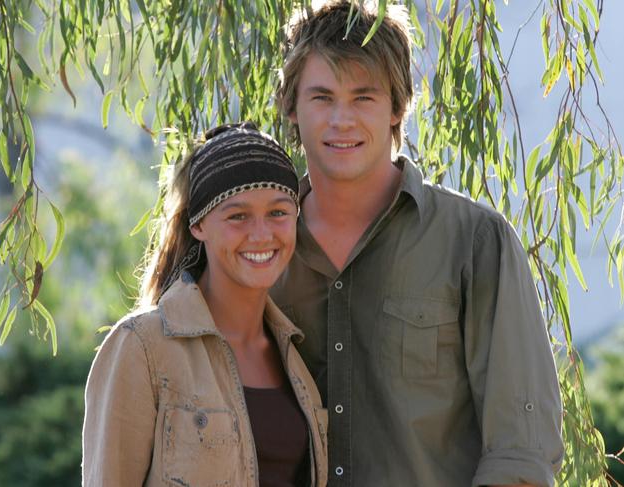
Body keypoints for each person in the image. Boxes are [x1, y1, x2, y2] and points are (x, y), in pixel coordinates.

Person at [271, 2, 564, 486]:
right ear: (292, 108)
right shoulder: (259, 252)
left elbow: (521, 456)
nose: (341, 120)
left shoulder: (475, 243)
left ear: (397, 107)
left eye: (363, 97)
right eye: (322, 97)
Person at [82, 122, 328, 487]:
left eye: (278, 212)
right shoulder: (142, 346)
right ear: (198, 224)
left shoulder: (294, 354)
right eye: (238, 216)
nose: (261, 234)